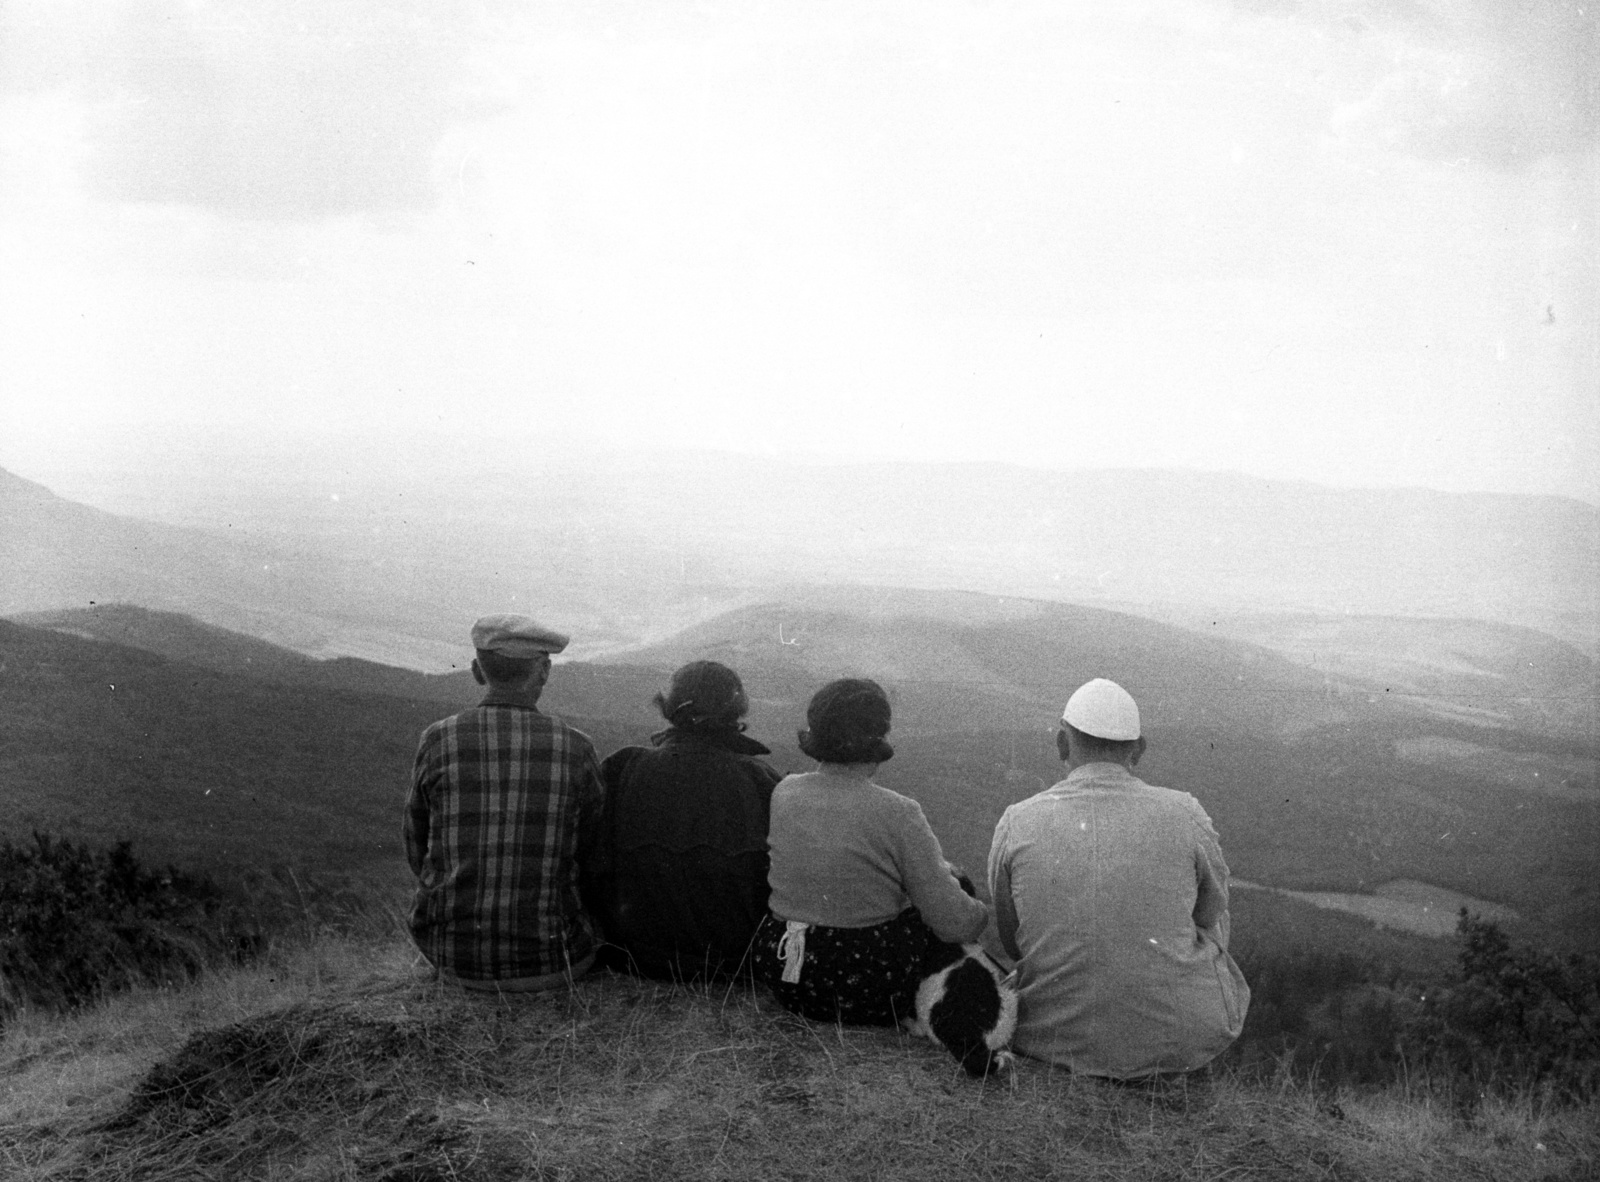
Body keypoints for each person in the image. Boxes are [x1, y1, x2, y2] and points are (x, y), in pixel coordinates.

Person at [987, 678, 1249, 1077]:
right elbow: (1210, 912)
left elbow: (1012, 938)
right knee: (1215, 911)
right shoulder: (1185, 812)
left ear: (1061, 743)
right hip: (1177, 1039)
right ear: (1138, 750)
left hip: (1048, 1036)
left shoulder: (1016, 821)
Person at [753, 678, 989, 1026]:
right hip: (865, 985)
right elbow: (954, 924)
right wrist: (979, 911)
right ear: (879, 737)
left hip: (785, 973)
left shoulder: (784, 792)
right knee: (956, 886)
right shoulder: (898, 811)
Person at [404, 614, 605, 993]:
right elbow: (593, 853)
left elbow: (417, 849)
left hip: (451, 956)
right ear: (543, 672)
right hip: (557, 957)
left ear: (477, 671)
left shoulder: (437, 740)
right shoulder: (577, 747)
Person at [586, 660, 782, 982]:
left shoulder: (623, 767)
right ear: (736, 711)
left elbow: (595, 863)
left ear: (670, 707)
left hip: (637, 953)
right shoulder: (761, 780)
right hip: (735, 960)